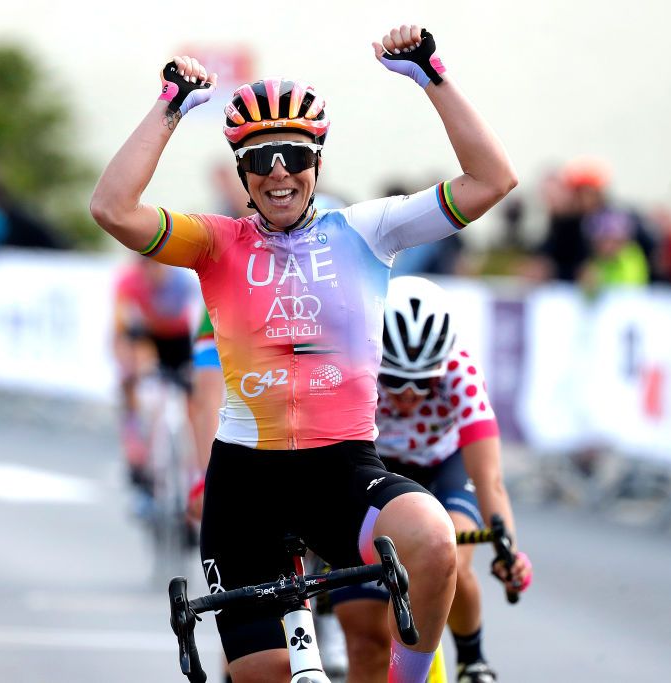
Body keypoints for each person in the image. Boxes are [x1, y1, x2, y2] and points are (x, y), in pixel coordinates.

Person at [89, 24, 517, 683]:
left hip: (341, 469)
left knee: (433, 540)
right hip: (247, 484)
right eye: (260, 160)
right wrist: (169, 106)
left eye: (293, 153)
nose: (279, 171)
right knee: (269, 675)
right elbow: (113, 208)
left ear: (316, 160)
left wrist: (433, 76)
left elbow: (493, 179)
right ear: (243, 175)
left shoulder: (370, 229)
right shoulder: (215, 242)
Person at [329, 276, 532, 683]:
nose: (406, 395)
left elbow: (488, 478)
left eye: (422, 383)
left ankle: (472, 658)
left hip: (443, 466)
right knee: (366, 641)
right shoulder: (351, 369)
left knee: (450, 550)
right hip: (376, 469)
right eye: (394, 379)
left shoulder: (462, 374)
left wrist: (507, 547)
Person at [112, 256, 199, 501]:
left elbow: (201, 325)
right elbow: (120, 332)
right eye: (147, 267)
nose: (154, 273)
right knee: (133, 387)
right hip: (146, 339)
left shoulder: (183, 282)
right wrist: (130, 370)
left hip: (179, 340)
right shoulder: (128, 282)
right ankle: (137, 455)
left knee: (195, 399)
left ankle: (195, 470)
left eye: (159, 266)